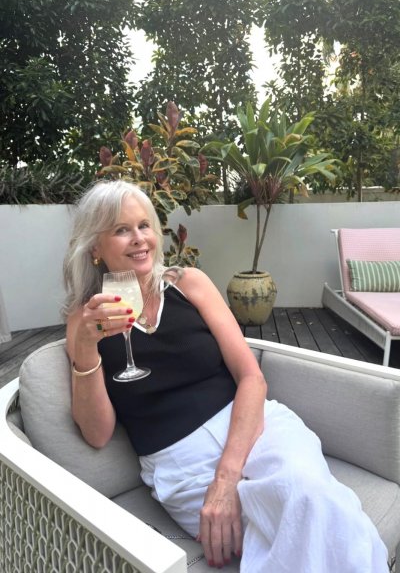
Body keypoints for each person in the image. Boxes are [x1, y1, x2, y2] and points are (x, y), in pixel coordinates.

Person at [64, 179, 389, 572]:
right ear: (95, 248)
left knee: (308, 495)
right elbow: (97, 434)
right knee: (287, 527)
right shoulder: (85, 321)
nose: (139, 238)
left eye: (144, 225)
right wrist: (86, 347)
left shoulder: (188, 284)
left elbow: (251, 376)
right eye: (121, 229)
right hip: (180, 463)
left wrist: (227, 478)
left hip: (252, 426)